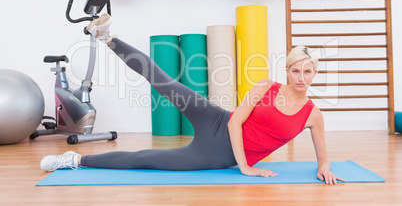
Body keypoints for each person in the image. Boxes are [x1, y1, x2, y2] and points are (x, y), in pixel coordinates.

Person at [40, 14, 345, 185]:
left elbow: (323, 156)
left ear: (315, 73)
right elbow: (236, 121)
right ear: (287, 70)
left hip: (217, 155)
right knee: (163, 81)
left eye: (307, 72)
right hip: (218, 121)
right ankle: (108, 37)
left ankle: (75, 160)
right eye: (295, 70)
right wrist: (246, 168)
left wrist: (325, 167)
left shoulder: (312, 115)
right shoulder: (267, 86)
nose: (301, 77)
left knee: (146, 159)